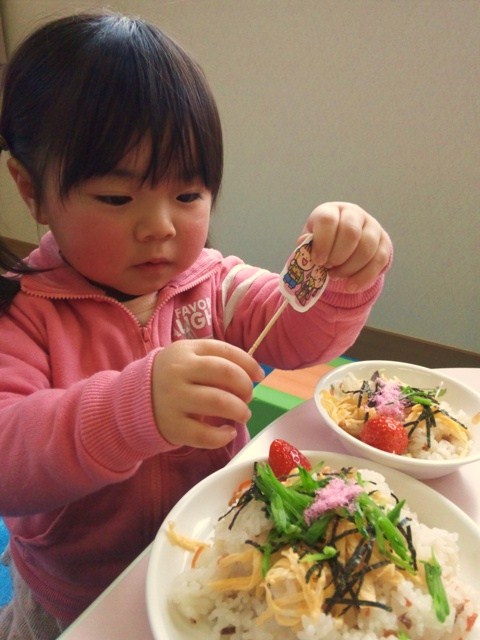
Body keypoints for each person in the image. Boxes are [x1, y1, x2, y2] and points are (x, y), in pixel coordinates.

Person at [0, 11, 392, 639]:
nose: (160, 226)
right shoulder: (22, 312)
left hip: (208, 566)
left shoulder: (215, 284)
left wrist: (343, 275)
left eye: (187, 196)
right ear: (31, 190)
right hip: (78, 595)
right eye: (116, 198)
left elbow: (299, 332)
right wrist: (130, 410)